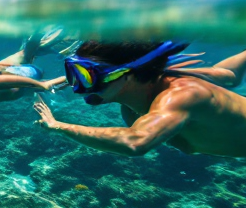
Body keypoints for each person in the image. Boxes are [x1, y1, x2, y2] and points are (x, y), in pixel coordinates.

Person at [34, 40, 246, 158]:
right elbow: (229, 74)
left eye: (86, 76)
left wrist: (58, 126)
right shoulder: (131, 103)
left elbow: (135, 142)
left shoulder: (181, 95)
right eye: (73, 74)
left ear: (126, 74)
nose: (76, 87)